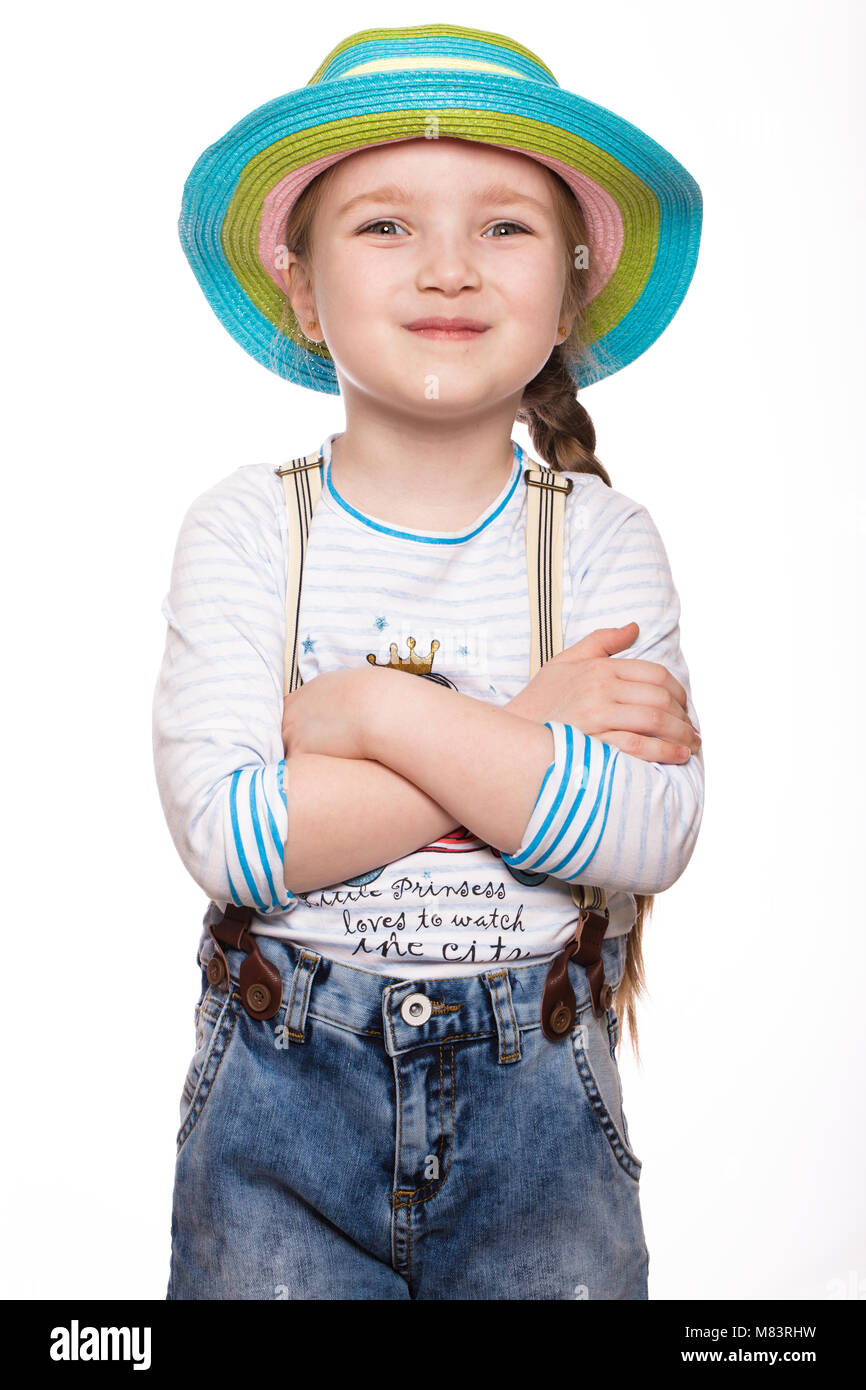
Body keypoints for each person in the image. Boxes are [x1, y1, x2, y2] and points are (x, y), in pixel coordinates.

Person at [154, 22, 705, 1300]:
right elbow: (234, 839)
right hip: (280, 1114)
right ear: (298, 282)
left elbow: (646, 828)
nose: (448, 268)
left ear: (569, 287)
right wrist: (529, 726)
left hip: (541, 1134)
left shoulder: (600, 541)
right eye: (384, 226)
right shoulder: (246, 527)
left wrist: (358, 713)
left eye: (504, 227)